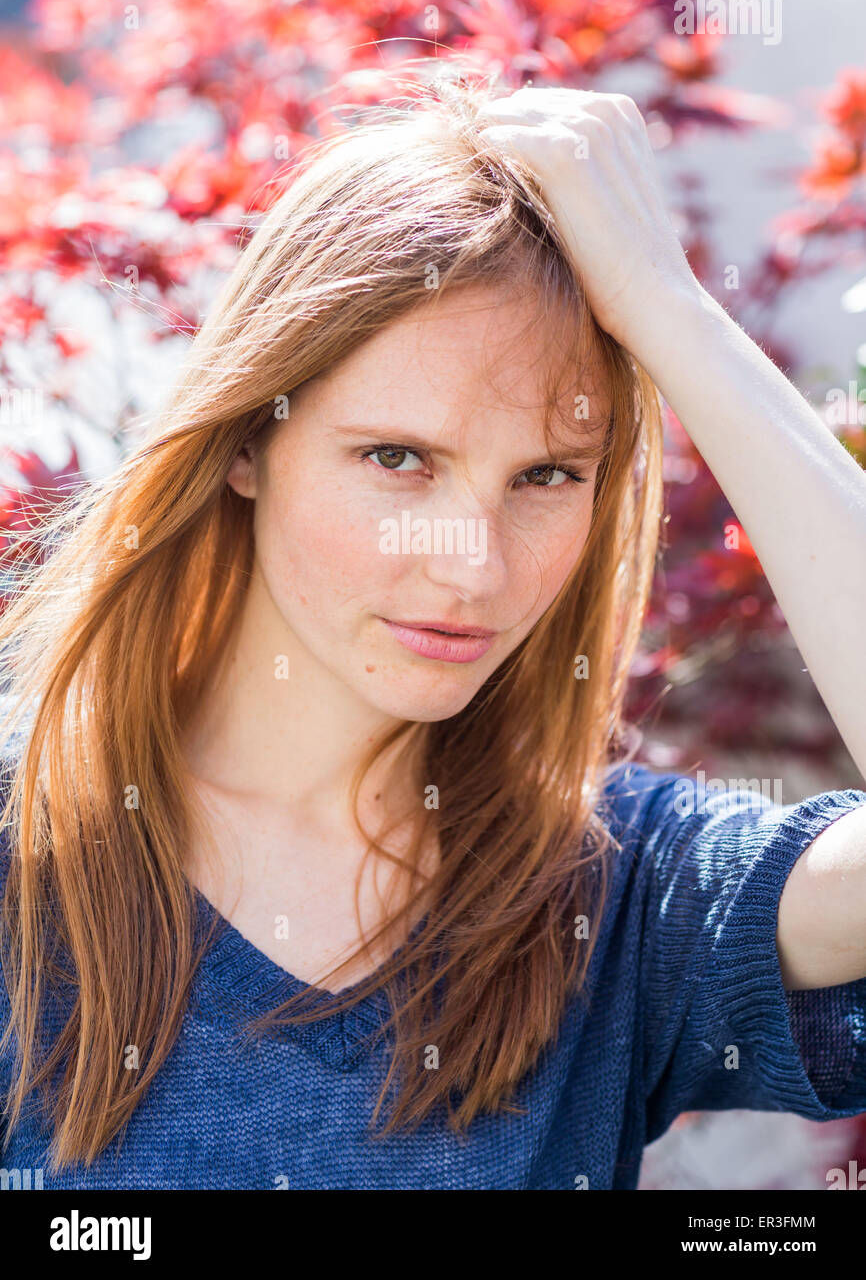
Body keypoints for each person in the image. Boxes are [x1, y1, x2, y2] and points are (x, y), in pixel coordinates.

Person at [1, 74, 865, 1191]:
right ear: (244, 444)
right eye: (398, 459)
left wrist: (673, 312)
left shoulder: (618, 901)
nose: (477, 563)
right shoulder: (32, 855)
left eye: (546, 475)